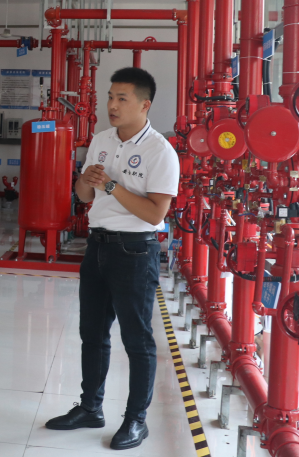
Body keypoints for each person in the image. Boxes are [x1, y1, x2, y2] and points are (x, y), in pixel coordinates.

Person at [43, 67, 178, 450]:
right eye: (110, 97)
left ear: (144, 105)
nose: (112, 105)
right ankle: (90, 408)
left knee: (137, 340)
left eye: (122, 99)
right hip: (98, 246)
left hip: (135, 250)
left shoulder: (160, 152)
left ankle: (136, 420)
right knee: (92, 333)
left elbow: (155, 214)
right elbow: (85, 195)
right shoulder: (101, 139)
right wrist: (86, 181)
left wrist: (112, 185)